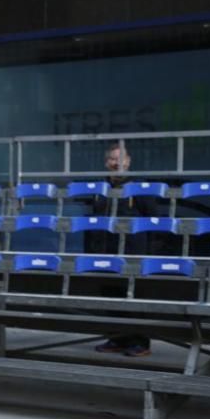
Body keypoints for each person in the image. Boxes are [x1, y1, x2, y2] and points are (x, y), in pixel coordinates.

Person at [89, 143, 160, 358]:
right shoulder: (100, 189)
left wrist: (149, 252)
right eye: (112, 159)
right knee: (110, 295)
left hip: (133, 252)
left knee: (134, 297)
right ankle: (117, 338)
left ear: (128, 162)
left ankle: (140, 342)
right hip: (106, 250)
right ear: (106, 163)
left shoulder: (140, 187)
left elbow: (154, 220)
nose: (116, 163)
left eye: (121, 159)